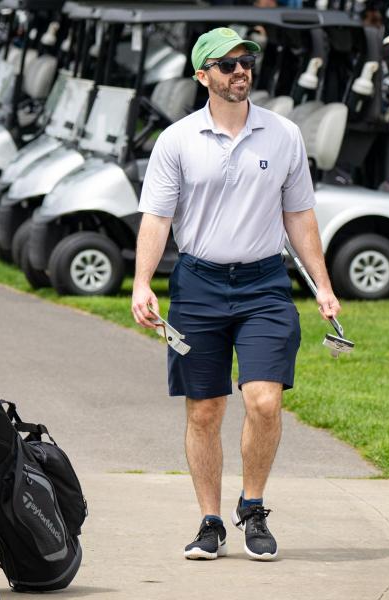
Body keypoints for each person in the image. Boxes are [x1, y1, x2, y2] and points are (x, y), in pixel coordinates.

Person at [131, 27, 341, 562]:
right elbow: (156, 218)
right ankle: (209, 521)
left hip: (264, 284)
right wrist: (141, 283)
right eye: (226, 64)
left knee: (264, 400)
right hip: (197, 285)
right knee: (204, 410)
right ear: (203, 76)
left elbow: (299, 215)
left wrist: (323, 284)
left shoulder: (284, 134)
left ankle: (253, 506)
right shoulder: (176, 140)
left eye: (246, 61)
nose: (240, 70)